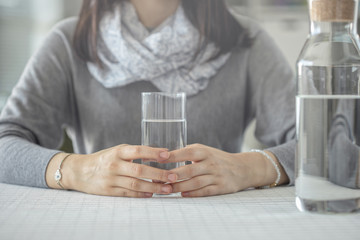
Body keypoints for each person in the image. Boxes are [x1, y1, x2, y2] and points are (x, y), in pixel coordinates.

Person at [0, 0, 295, 197]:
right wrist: (79, 170)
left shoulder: (248, 40)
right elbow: (4, 145)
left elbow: (328, 144)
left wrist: (249, 168)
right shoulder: (68, 41)